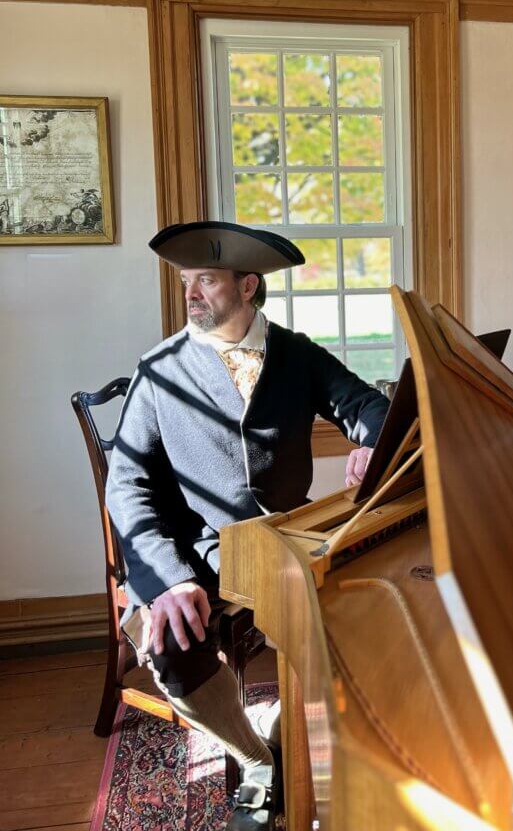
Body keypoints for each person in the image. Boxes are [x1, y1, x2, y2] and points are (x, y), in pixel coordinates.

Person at [105, 220, 389, 829]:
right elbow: (126, 487)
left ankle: (287, 731)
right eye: (187, 282)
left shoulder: (297, 353)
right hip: (201, 553)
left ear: (249, 286)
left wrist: (375, 441)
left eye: (205, 280)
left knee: (371, 612)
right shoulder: (158, 370)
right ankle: (260, 759)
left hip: (290, 539)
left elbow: (366, 403)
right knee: (168, 646)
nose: (191, 294)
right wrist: (166, 582)